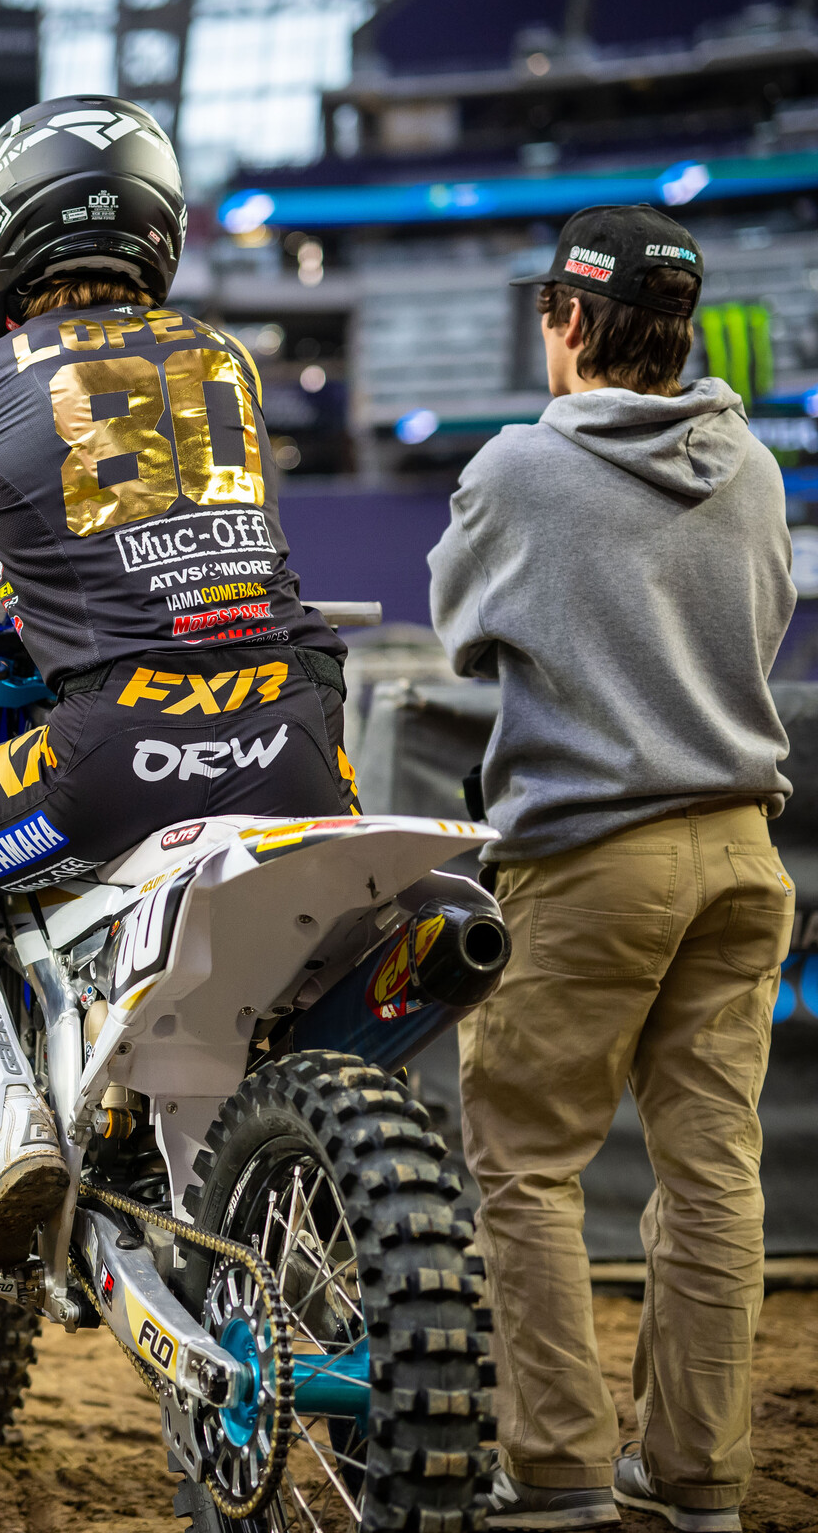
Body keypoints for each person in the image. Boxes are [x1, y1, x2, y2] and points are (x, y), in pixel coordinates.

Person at [0, 94, 355, 1271]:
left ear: (5, 229)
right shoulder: (226, 361)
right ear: (160, 227)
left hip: (115, 758)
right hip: (301, 743)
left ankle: (3, 1134)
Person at [432, 206, 792, 1533]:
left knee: (524, 1161)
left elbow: (463, 637)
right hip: (745, 855)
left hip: (592, 858)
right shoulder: (752, 466)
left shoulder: (521, 468)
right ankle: (696, 1475)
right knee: (711, 1168)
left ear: (571, 321)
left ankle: (558, 1467)